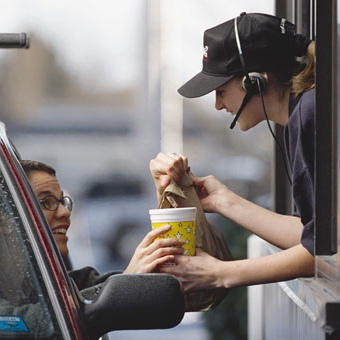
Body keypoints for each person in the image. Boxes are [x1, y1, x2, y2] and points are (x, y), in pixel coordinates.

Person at [149, 12, 316, 292]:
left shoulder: (310, 115)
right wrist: (225, 202)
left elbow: (326, 251)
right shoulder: (300, 115)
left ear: (256, 81)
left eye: (221, 91)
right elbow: (312, 237)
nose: (217, 105)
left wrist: (221, 273)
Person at [20, 160, 185, 293]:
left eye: (63, 202)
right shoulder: (12, 291)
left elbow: (83, 290)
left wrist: (130, 279)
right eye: (46, 202)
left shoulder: (45, 277)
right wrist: (127, 282)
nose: (65, 212)